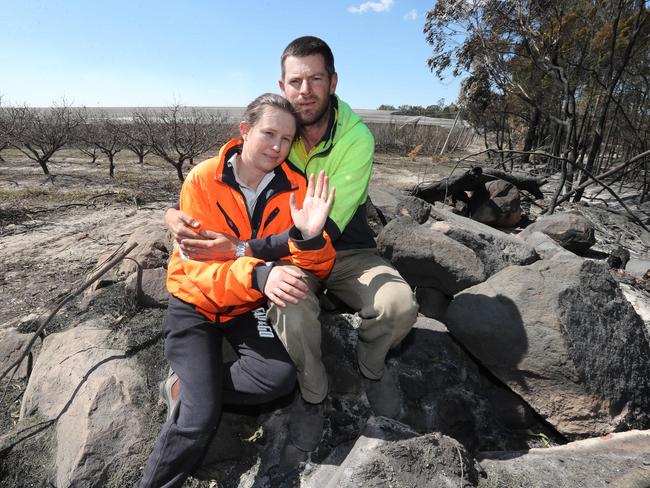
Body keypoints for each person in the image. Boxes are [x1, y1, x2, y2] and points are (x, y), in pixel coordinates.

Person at [165, 36, 418, 452]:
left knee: (398, 304)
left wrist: (241, 251)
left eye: (316, 79)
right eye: (296, 81)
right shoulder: (280, 128)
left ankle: (371, 370)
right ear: (282, 87)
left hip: (343, 250)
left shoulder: (356, 139)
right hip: (287, 253)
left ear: (333, 82)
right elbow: (227, 181)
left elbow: (320, 230)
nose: (306, 90)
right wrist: (171, 216)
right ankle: (312, 394)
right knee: (289, 298)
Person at [139, 93, 336, 488]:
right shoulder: (204, 179)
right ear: (245, 131)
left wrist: (312, 238)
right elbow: (198, 269)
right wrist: (260, 275)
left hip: (244, 308)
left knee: (277, 378)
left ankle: (186, 385)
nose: (277, 146)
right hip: (194, 304)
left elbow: (319, 265)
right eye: (268, 134)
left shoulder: (296, 189)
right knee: (198, 418)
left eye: (286, 138)